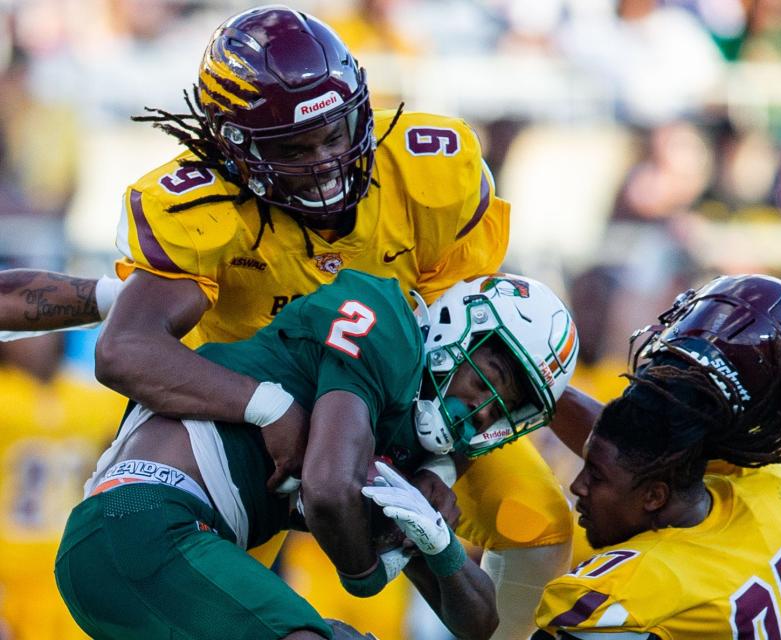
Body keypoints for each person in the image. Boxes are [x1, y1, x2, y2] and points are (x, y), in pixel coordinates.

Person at [0, 5, 580, 636]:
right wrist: (271, 408)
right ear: (232, 147)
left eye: (335, 134)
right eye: (294, 148)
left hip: (394, 397)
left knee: (534, 516)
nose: (326, 162)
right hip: (258, 440)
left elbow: (475, 343)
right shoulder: (207, 214)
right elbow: (121, 336)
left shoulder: (426, 171)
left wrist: (436, 468)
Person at [55, 269, 579, 640]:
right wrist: (371, 570)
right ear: (458, 325)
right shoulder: (385, 325)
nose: (486, 410)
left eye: (509, 407)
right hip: (140, 519)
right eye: (494, 378)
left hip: (164, 560)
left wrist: (439, 546)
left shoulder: (414, 455)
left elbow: (481, 625)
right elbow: (328, 490)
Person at [532, 274, 781, 638]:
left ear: (656, 496)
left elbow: (631, 461)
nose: (578, 486)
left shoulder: (638, 586)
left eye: (594, 475)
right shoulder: (760, 481)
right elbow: (638, 452)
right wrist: (529, 380)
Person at [0, 332, 126, 639]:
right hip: (10, 569)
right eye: (23, 333)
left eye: (45, 332)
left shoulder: (94, 397)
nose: (37, 341)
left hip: (71, 567)